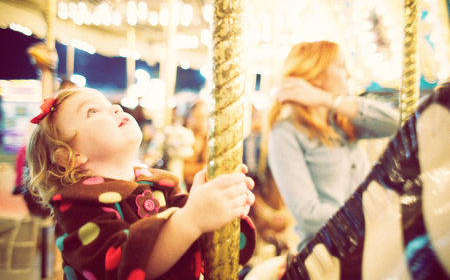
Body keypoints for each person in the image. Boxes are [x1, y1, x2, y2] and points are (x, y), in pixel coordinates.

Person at [26, 88, 256, 280]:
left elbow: (205, 244)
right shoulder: (77, 206)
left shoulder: (159, 185)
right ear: (70, 157)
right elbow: (121, 262)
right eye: (92, 111)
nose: (115, 108)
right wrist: (193, 219)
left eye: (109, 104)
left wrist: (223, 207)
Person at [265, 40, 400, 251]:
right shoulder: (285, 132)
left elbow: (396, 123)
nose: (348, 74)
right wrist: (370, 214)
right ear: (317, 76)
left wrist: (329, 100)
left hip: (367, 241)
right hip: (328, 249)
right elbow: (308, 214)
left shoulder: (340, 122)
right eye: (340, 66)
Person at [183, 100, 209, 192]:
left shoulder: (209, 142)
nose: (203, 122)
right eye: (198, 117)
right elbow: (180, 168)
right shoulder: (183, 139)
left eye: (206, 118)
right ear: (188, 119)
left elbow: (208, 168)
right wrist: (200, 168)